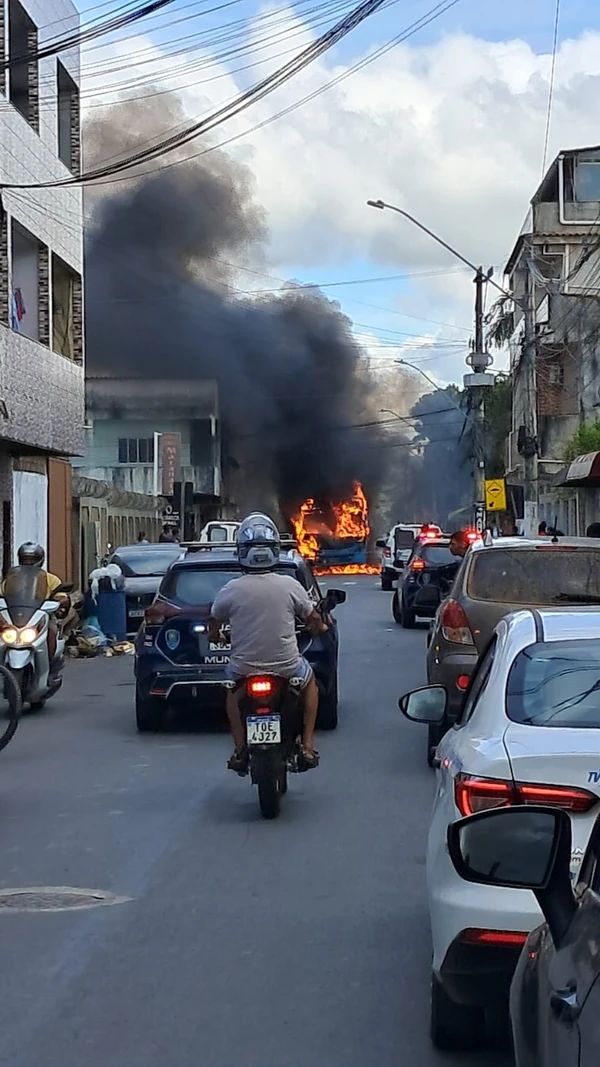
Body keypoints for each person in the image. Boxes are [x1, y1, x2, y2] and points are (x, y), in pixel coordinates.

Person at [208, 513, 328, 774]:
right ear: (274, 550)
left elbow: (213, 623)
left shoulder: (231, 589)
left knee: (230, 693)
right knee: (310, 685)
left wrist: (215, 637)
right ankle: (307, 746)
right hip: (286, 666)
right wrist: (319, 628)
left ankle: (240, 749)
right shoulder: (289, 585)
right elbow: (313, 617)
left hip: (243, 668)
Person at [4, 543, 64, 680]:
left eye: (32, 560)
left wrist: (60, 601)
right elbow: (3, 593)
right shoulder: (12, 579)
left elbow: (61, 595)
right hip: (16, 618)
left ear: (40, 560)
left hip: (42, 617)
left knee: (51, 634)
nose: (29, 563)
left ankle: (50, 667)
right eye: (25, 560)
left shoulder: (51, 579)